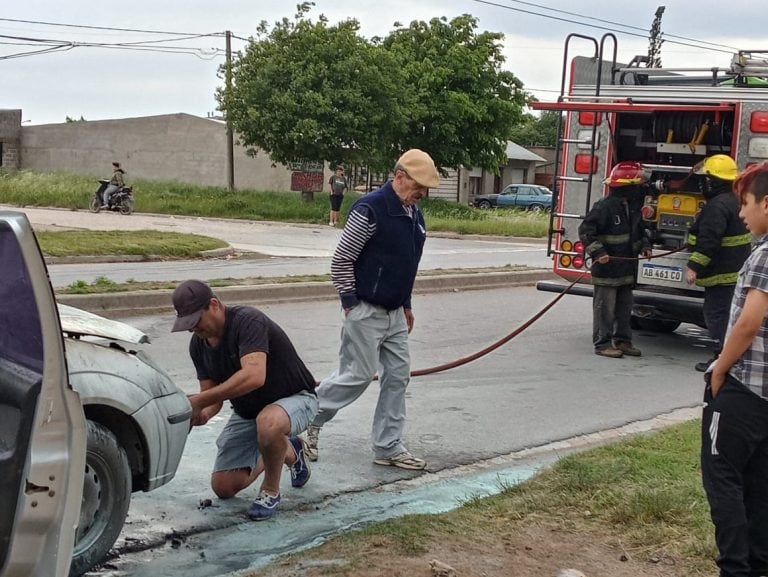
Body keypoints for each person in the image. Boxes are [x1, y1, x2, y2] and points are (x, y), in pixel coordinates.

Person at [304, 149, 439, 470]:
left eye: (426, 188)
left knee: (398, 376)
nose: (422, 193)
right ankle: (302, 420)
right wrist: (351, 304)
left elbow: (407, 265)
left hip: (395, 312)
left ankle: (388, 446)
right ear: (400, 176)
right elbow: (341, 261)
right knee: (357, 376)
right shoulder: (371, 209)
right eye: (418, 185)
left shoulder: (413, 214)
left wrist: (405, 304)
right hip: (364, 308)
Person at [171, 279, 318, 520]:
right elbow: (211, 397)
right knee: (224, 487)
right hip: (249, 412)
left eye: (195, 320)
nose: (192, 329)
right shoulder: (198, 346)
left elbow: (254, 376)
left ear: (214, 305)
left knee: (268, 423)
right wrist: (202, 413)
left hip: (295, 399)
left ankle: (270, 491)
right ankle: (290, 451)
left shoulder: (248, 321)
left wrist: (198, 399)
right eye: (187, 324)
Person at [701, 162, 768, 577]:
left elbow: (749, 321)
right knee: (760, 485)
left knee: (722, 477)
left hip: (745, 390)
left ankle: (734, 567)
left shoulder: (764, 255)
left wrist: (719, 369)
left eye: (745, 204)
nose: (741, 214)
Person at [579, 161, 652, 358]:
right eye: (638, 184)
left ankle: (623, 341)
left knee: (624, 309)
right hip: (607, 270)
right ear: (629, 187)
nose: (641, 187)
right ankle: (602, 344)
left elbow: (639, 231)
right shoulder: (604, 207)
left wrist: (645, 246)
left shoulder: (633, 207)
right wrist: (598, 253)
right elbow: (586, 232)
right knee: (605, 310)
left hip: (626, 269)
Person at [686, 155, 751, 372]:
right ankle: (726, 356)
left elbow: (709, 241)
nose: (703, 183)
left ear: (712, 181)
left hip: (720, 273)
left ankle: (724, 359)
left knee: (717, 317)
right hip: (734, 271)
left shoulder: (716, 206)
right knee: (728, 315)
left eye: (706, 178)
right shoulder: (734, 199)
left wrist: (694, 266)